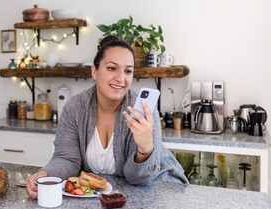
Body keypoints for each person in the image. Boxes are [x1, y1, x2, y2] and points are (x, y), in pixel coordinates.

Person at [26, 36, 188, 199]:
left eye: (128, 71)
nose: (121, 78)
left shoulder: (143, 111)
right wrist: (44, 174)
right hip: (114, 195)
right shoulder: (75, 108)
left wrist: (145, 149)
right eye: (112, 68)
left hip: (163, 189)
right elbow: (67, 158)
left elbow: (138, 178)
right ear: (94, 71)